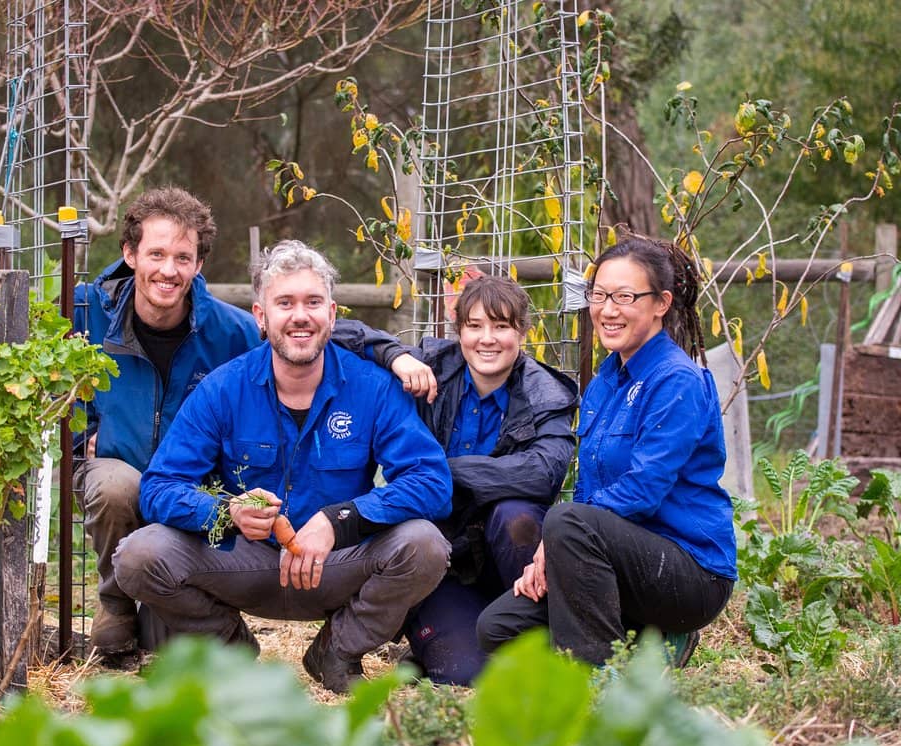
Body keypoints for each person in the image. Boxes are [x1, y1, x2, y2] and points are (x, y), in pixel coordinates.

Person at [111, 239, 453, 693]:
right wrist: (224, 513)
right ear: (260, 316)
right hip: (242, 564)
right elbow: (159, 487)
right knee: (138, 555)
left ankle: (337, 652)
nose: (300, 316)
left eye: (313, 302)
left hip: (336, 565)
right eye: (285, 302)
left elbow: (432, 481)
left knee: (425, 545)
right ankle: (232, 654)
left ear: (332, 314)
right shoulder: (223, 389)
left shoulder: (372, 388)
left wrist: (341, 519)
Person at [476, 235, 737, 668]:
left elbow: (642, 490)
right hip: (618, 565)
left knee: (565, 520)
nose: (607, 309)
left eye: (624, 296)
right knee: (499, 627)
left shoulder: (677, 380)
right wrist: (554, 550)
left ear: (661, 303)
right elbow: (589, 491)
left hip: (689, 572)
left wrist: (560, 534)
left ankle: (597, 679)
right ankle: (647, 644)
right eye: (598, 295)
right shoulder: (605, 380)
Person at [335, 274, 578, 685]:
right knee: (467, 676)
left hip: (512, 562)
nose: (488, 339)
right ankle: (449, 644)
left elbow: (543, 472)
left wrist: (438, 473)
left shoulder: (545, 394)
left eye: (501, 326)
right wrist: (393, 355)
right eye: (475, 326)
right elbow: (334, 331)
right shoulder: (430, 369)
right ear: (459, 329)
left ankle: (553, 638)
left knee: (514, 513)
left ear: (522, 332)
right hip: (444, 562)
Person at [73, 187, 260, 658]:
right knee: (118, 488)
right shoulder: (83, 312)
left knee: (165, 650)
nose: (168, 270)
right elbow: (45, 381)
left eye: (183, 257)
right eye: (156, 253)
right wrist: (83, 433)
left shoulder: (232, 332)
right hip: (116, 469)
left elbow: (261, 400)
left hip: (192, 490)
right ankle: (115, 602)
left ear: (198, 264)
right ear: (130, 254)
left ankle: (184, 609)